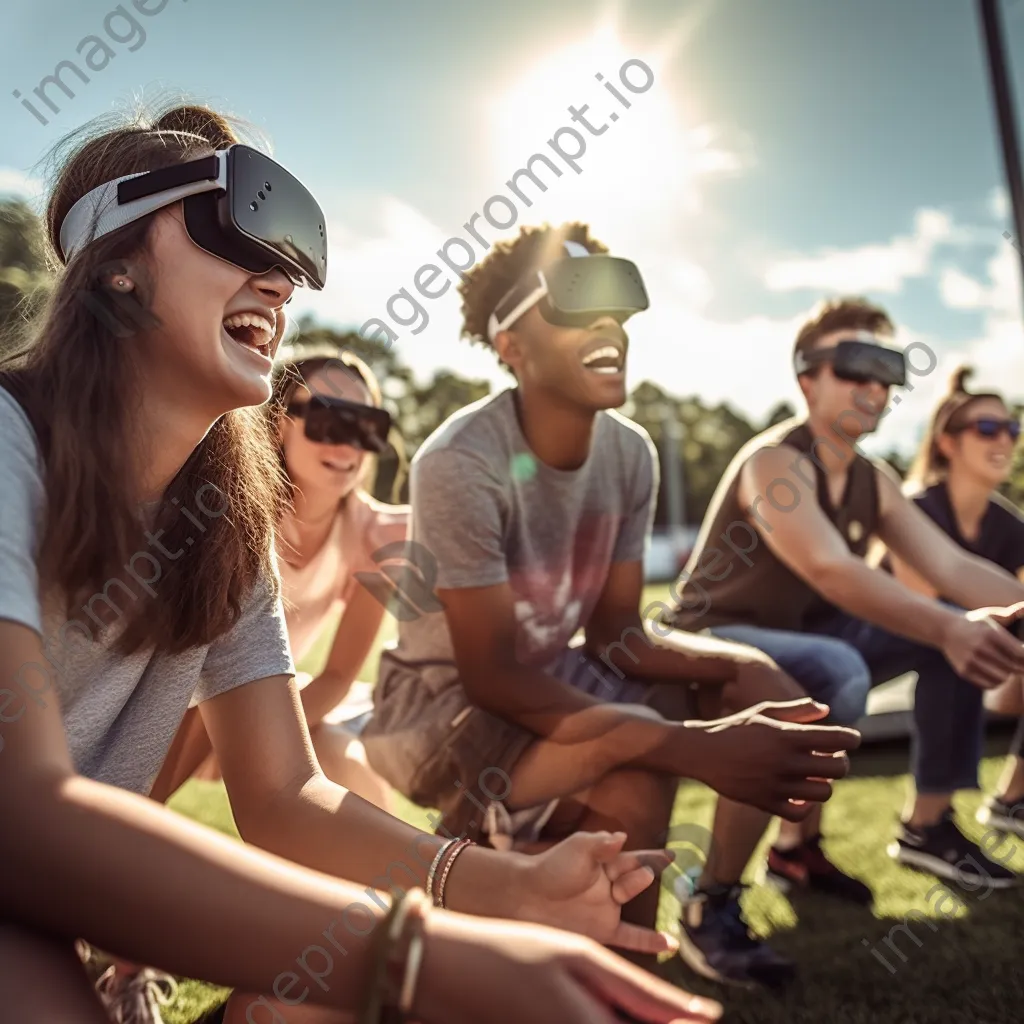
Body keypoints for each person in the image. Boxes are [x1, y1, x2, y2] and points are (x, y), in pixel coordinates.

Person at [0, 102, 727, 1024]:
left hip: (39, 911)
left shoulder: (223, 524)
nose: (280, 278)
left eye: (296, 250)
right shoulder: (8, 439)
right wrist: (420, 958)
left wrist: (499, 889)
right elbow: (20, 815)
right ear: (115, 263)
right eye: (240, 224)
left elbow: (286, 795)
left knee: (327, 995)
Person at [362, 222, 863, 991]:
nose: (608, 328)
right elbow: (493, 675)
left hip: (550, 675)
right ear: (512, 345)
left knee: (751, 687)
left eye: (618, 310)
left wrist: (743, 671)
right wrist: (694, 747)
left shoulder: (630, 452)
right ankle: (587, 960)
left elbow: (618, 636)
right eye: (574, 305)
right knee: (641, 763)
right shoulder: (461, 459)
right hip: (444, 712)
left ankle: (707, 913)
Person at [662, 297, 1024, 979]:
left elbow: (950, 567)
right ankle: (710, 899)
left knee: (958, 625)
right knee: (842, 667)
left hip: (802, 640)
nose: (875, 387)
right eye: (856, 367)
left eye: (888, 373)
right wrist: (948, 626)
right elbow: (831, 570)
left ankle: (918, 829)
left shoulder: (871, 479)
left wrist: (979, 616)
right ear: (807, 379)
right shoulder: (773, 462)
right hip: (705, 643)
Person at [153, 346, 403, 811]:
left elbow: (340, 676)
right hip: (167, 696)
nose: (348, 445)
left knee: (339, 758)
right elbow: (205, 662)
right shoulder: (236, 510)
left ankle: (401, 883)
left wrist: (265, 732)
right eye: (331, 419)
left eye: (368, 426)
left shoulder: (374, 534)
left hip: (267, 700)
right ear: (282, 422)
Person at [890, 365, 1024, 839]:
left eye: (1012, 427)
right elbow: (917, 601)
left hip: (963, 650)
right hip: (878, 634)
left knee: (971, 631)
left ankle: (1013, 799)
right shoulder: (914, 508)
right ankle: (923, 826)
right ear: (947, 442)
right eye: (987, 428)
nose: (1004, 439)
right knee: (958, 631)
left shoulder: (1009, 527)